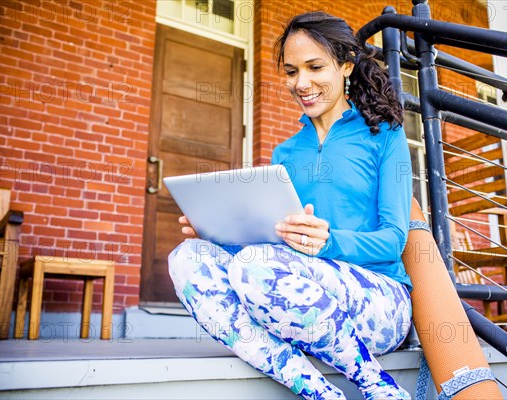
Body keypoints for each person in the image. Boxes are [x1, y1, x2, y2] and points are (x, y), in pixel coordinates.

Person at [168, 11, 413, 400]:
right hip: (295, 296)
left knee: (258, 264)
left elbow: (394, 240)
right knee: (187, 258)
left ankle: (376, 385)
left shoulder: (384, 136)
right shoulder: (285, 153)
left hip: (379, 303)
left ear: (346, 65)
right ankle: (317, 391)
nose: (302, 83)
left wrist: (328, 242)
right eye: (291, 71)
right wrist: (216, 234)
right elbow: (272, 247)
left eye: (315, 67)